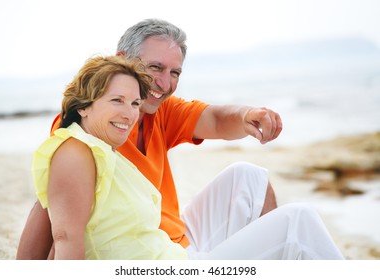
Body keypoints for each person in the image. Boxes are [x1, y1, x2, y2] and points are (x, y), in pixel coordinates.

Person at [17, 19, 343, 259]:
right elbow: (53, 211)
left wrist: (246, 115)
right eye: (155, 67)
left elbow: (214, 118)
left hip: (177, 243)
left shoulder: (158, 110)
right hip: (154, 260)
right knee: (299, 220)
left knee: (249, 176)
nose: (164, 82)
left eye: (175, 73)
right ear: (122, 60)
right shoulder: (88, 130)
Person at [31, 55, 188, 259]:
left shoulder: (104, 149)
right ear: (83, 106)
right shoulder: (75, 152)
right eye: (117, 101)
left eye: (134, 103)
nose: (129, 114)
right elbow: (65, 238)